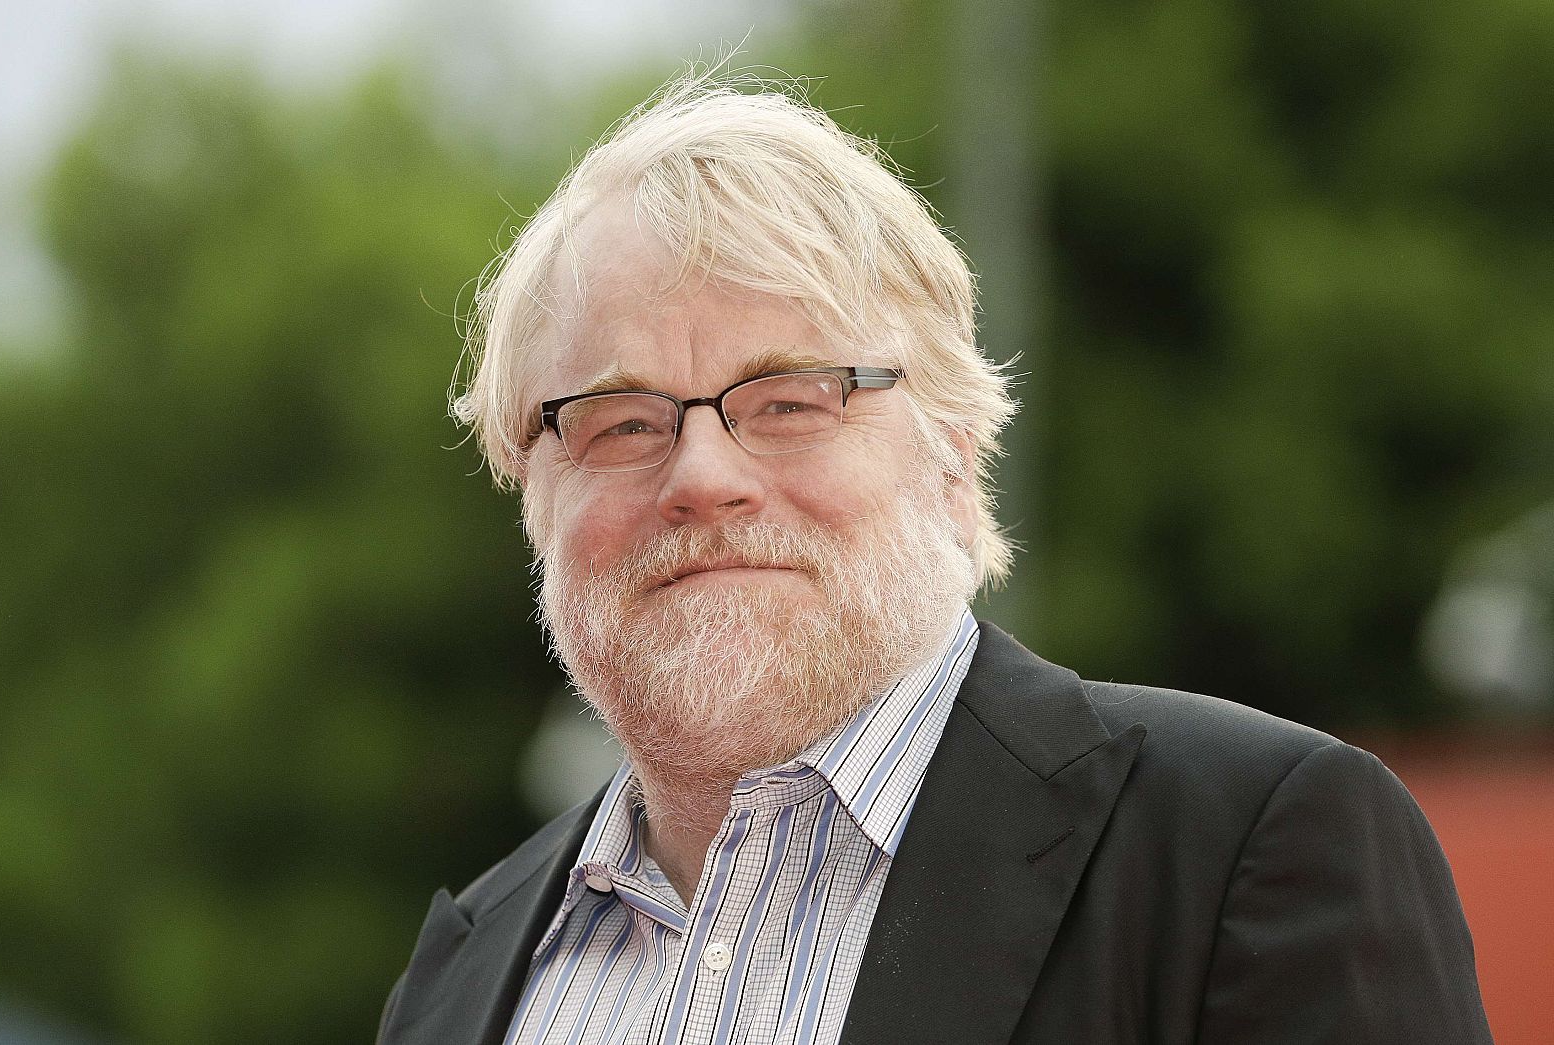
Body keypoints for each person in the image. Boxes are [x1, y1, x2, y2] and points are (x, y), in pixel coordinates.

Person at [378, 71, 1491, 1045]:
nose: (702, 475)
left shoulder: (1244, 851)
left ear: (954, 455)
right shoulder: (462, 973)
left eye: (791, 399)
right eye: (621, 422)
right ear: (534, 498)